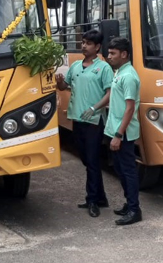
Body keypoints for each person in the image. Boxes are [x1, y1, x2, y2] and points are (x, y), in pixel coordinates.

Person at [55, 29, 113, 218]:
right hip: (77, 119)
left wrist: (95, 108)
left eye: (88, 43)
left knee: (93, 161)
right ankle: (101, 197)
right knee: (87, 160)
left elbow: (109, 93)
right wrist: (60, 82)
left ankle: (93, 200)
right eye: (83, 42)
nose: (84, 46)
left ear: (97, 47)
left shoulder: (103, 68)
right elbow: (65, 87)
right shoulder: (76, 66)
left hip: (93, 121)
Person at [104, 37, 142, 225]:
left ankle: (135, 210)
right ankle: (129, 203)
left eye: (113, 53)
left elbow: (130, 108)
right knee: (119, 169)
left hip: (123, 132)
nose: (109, 56)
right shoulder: (120, 72)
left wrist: (118, 135)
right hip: (116, 130)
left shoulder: (128, 76)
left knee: (128, 171)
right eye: (109, 53)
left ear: (124, 54)